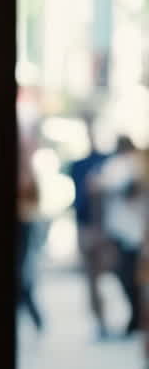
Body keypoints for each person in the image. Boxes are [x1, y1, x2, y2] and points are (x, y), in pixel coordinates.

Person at [97, 134, 144, 336]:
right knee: (124, 274)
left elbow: (128, 187)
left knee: (133, 276)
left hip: (135, 231)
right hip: (123, 230)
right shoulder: (117, 165)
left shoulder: (136, 164)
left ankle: (137, 318)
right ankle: (136, 317)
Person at [70, 132, 110, 339]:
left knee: (115, 274)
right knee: (92, 278)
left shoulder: (108, 162)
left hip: (105, 229)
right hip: (87, 226)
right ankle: (100, 319)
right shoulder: (78, 166)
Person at [16, 132, 44, 332]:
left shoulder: (26, 171)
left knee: (20, 270)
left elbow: (31, 193)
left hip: (23, 220)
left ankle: (33, 312)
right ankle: (33, 312)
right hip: (24, 220)